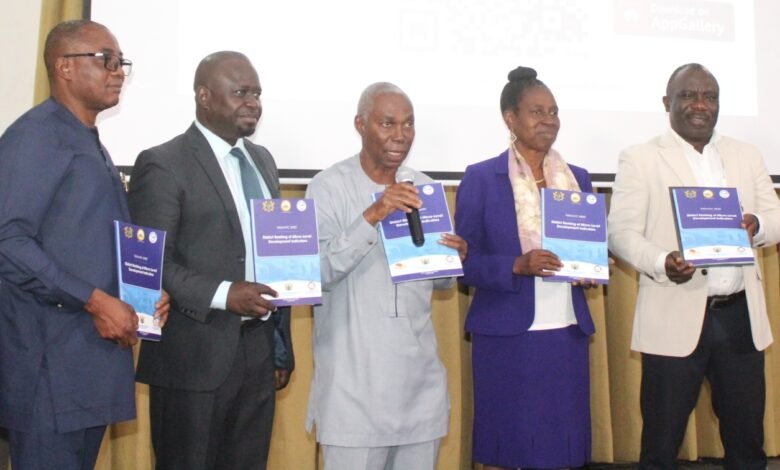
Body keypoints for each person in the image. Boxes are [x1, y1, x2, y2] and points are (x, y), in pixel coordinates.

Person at [0, 20, 169, 469]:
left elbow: (84, 239)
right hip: (49, 369)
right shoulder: (36, 137)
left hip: (86, 368)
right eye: (105, 60)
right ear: (64, 68)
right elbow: (8, 241)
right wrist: (94, 301)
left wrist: (142, 294)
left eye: (120, 63)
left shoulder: (88, 141)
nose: (117, 71)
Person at [608, 63, 780, 470]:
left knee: (747, 443)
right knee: (661, 445)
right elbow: (621, 231)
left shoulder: (745, 154)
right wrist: (661, 261)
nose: (700, 105)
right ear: (668, 103)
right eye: (688, 96)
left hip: (739, 316)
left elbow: (774, 214)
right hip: (673, 311)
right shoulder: (641, 157)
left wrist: (756, 226)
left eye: (710, 97)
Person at [127, 51, 294, 470]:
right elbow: (151, 264)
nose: (252, 102)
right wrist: (224, 294)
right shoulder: (163, 163)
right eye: (240, 92)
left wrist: (279, 347)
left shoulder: (263, 160)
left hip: (257, 349)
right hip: (193, 355)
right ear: (204, 96)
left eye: (256, 93)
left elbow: (272, 254)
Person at [304, 82, 467, 470]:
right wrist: (373, 216)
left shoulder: (424, 188)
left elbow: (438, 282)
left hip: (418, 387)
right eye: (388, 123)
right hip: (353, 391)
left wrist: (453, 258)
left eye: (408, 124)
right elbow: (317, 272)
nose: (400, 135)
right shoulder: (328, 187)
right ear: (360, 125)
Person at [455, 66, 596, 470]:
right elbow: (464, 264)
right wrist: (516, 265)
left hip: (566, 330)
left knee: (562, 447)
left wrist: (595, 262)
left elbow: (586, 246)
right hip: (507, 335)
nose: (548, 120)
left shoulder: (579, 180)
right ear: (510, 118)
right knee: (509, 445)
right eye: (536, 111)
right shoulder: (482, 177)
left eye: (553, 111)